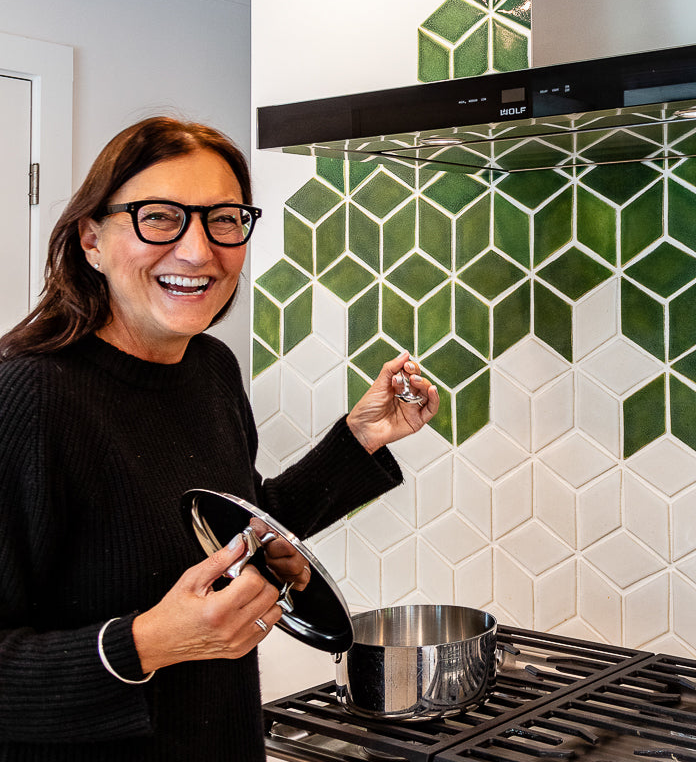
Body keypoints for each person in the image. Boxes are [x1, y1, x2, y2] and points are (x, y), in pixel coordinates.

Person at [0, 116, 439, 760]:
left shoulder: (208, 367)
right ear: (91, 239)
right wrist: (147, 641)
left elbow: (233, 534)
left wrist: (358, 439)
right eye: (159, 216)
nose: (199, 251)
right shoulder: (27, 397)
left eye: (224, 219)